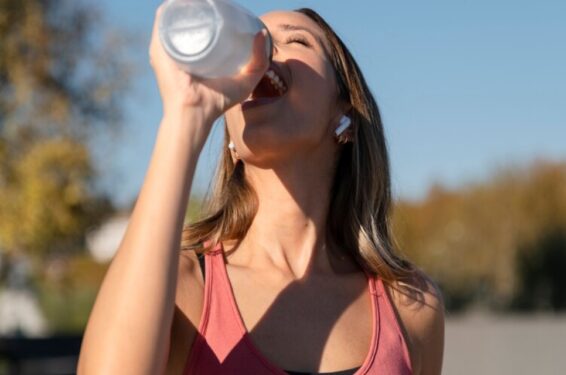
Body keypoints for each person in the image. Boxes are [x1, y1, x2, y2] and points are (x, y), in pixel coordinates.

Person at [78, 5, 444, 375]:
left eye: (295, 40)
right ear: (231, 141)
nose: (263, 52)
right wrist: (185, 114)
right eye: (251, 42)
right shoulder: (182, 285)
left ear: (343, 110)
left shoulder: (411, 305)